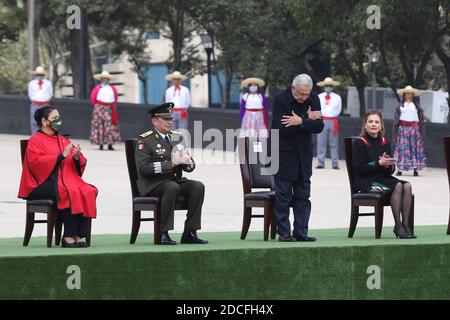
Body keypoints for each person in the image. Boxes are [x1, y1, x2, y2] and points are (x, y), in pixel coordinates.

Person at [18, 106, 98, 247]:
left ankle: (79, 235)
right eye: (55, 118)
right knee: (66, 190)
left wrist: (75, 157)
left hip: (64, 179)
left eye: (59, 117)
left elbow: (79, 160)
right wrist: (60, 156)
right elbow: (35, 163)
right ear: (44, 121)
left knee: (87, 190)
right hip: (40, 184)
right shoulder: (35, 140)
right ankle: (68, 236)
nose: (59, 121)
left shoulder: (62, 139)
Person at [135, 102, 207, 245]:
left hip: (173, 181)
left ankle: (190, 232)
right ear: (155, 121)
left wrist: (186, 161)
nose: (169, 122)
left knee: (197, 186)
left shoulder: (177, 138)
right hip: (153, 184)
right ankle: (163, 233)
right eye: (165, 119)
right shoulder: (145, 140)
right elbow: (144, 169)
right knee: (171, 187)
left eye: (171, 119)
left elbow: (190, 166)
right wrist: (171, 164)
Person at [271, 74, 324, 242]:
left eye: (307, 94)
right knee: (283, 196)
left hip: (304, 155)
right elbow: (283, 129)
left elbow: (319, 126)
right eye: (301, 93)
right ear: (293, 88)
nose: (304, 97)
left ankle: (301, 232)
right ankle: (284, 234)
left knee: (303, 196)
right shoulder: (280, 100)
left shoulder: (313, 98)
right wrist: (308, 120)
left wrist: (300, 121)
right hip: (282, 154)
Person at [352, 111, 416, 239]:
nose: (373, 124)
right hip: (365, 182)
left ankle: (405, 225)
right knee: (398, 186)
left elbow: (388, 171)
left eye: (377, 122)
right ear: (365, 125)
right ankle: (398, 225)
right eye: (370, 122)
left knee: (407, 185)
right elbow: (358, 169)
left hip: (382, 179)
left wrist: (388, 166)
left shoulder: (384, 142)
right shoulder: (360, 142)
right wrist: (378, 163)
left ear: (381, 126)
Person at [393, 85, 427, 176]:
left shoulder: (416, 107)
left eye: (411, 94)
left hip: (414, 131)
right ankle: (400, 169)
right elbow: (396, 120)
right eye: (407, 93)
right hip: (403, 130)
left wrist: (421, 131)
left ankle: (415, 169)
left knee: (414, 149)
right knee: (403, 149)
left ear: (413, 95)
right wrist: (395, 133)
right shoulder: (400, 106)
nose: (409, 95)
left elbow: (421, 120)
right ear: (404, 95)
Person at [90, 70, 121, 150]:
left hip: (109, 108)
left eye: (106, 78)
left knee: (110, 126)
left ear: (108, 79)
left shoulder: (112, 88)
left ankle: (110, 144)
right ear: (101, 79)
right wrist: (98, 106)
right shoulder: (97, 88)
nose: (105, 80)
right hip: (99, 108)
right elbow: (93, 99)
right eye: (103, 78)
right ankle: (101, 144)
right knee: (100, 125)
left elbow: (115, 98)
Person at [316, 77, 342, 169]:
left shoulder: (337, 97)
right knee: (321, 142)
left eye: (330, 85)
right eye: (326, 85)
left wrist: (332, 116)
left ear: (332, 86)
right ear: (324, 86)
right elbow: (317, 108)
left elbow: (339, 110)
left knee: (334, 143)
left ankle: (335, 163)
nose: (328, 87)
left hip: (332, 120)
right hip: (322, 120)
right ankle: (320, 162)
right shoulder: (319, 96)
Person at [28, 66, 53, 134]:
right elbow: (30, 94)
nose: (39, 76)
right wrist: (35, 100)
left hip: (45, 104)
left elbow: (50, 93)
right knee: (34, 121)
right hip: (35, 104)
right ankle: (35, 136)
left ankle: (45, 136)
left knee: (45, 120)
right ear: (36, 75)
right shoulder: (32, 83)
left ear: (43, 75)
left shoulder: (48, 83)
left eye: (41, 74)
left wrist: (46, 100)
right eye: (38, 74)